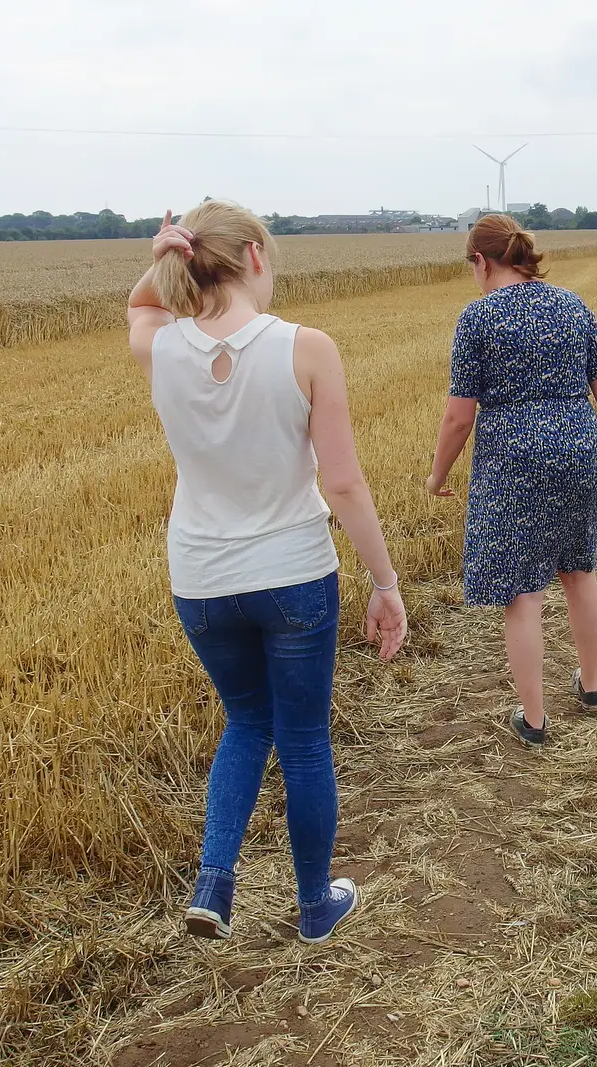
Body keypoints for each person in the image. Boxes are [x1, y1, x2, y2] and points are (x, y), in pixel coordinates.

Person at [127, 200, 407, 946]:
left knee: (247, 722)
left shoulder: (158, 346)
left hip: (201, 581)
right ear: (254, 254)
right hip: (292, 573)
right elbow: (343, 483)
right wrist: (385, 584)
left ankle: (214, 887)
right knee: (306, 739)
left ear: (187, 260)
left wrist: (165, 251)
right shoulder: (306, 347)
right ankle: (316, 905)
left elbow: (140, 301)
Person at [425, 214, 597, 748]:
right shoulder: (574, 306)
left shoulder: (478, 319)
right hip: (580, 446)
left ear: (480, 261)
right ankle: (591, 687)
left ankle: (534, 721)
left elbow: (459, 418)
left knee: (523, 596)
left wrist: (437, 474)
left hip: (515, 461)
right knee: (579, 572)